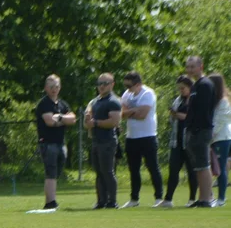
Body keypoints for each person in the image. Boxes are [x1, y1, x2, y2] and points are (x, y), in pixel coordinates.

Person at [119, 71, 163, 208]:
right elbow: (121, 113)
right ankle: (134, 199)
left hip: (148, 136)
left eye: (129, 85)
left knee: (152, 167)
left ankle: (159, 197)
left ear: (138, 84)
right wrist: (133, 111)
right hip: (131, 136)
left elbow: (143, 115)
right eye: (125, 85)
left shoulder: (147, 94)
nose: (127, 88)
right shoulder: (127, 94)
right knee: (133, 169)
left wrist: (129, 111)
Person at [33, 74, 76, 211]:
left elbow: (73, 119)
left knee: (56, 173)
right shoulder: (44, 103)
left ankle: (51, 199)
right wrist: (63, 121)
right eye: (51, 87)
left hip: (60, 143)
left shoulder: (62, 104)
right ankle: (50, 202)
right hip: (48, 143)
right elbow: (50, 121)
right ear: (46, 88)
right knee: (51, 172)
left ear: (60, 87)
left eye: (56, 86)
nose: (54, 89)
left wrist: (61, 117)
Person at [84, 73, 122, 209]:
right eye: (99, 83)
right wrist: (88, 121)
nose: (101, 86)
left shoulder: (113, 101)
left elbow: (114, 122)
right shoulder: (95, 101)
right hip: (96, 140)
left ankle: (112, 201)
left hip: (107, 141)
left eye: (105, 83)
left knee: (107, 171)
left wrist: (95, 123)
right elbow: (87, 123)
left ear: (112, 84)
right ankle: (101, 201)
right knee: (99, 172)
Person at [159, 75, 197, 208]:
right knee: (173, 169)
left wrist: (178, 115)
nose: (181, 90)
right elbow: (173, 119)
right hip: (177, 141)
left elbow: (192, 118)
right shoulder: (178, 100)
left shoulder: (194, 100)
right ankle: (168, 199)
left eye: (183, 88)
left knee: (192, 170)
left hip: (190, 140)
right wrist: (173, 115)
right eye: (179, 88)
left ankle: (192, 199)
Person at [184, 55, 216, 207]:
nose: (189, 70)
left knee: (204, 165)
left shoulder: (205, 84)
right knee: (198, 166)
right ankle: (201, 197)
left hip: (201, 130)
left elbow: (203, 110)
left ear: (200, 67)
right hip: (194, 129)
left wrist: (196, 128)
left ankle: (207, 199)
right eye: (188, 67)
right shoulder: (195, 85)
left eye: (192, 66)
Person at [209, 72, 230, 206]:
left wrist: (209, 135)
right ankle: (216, 197)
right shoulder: (214, 100)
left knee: (221, 167)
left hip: (222, 138)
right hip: (215, 138)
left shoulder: (223, 101)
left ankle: (221, 198)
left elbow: (219, 122)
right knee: (215, 168)